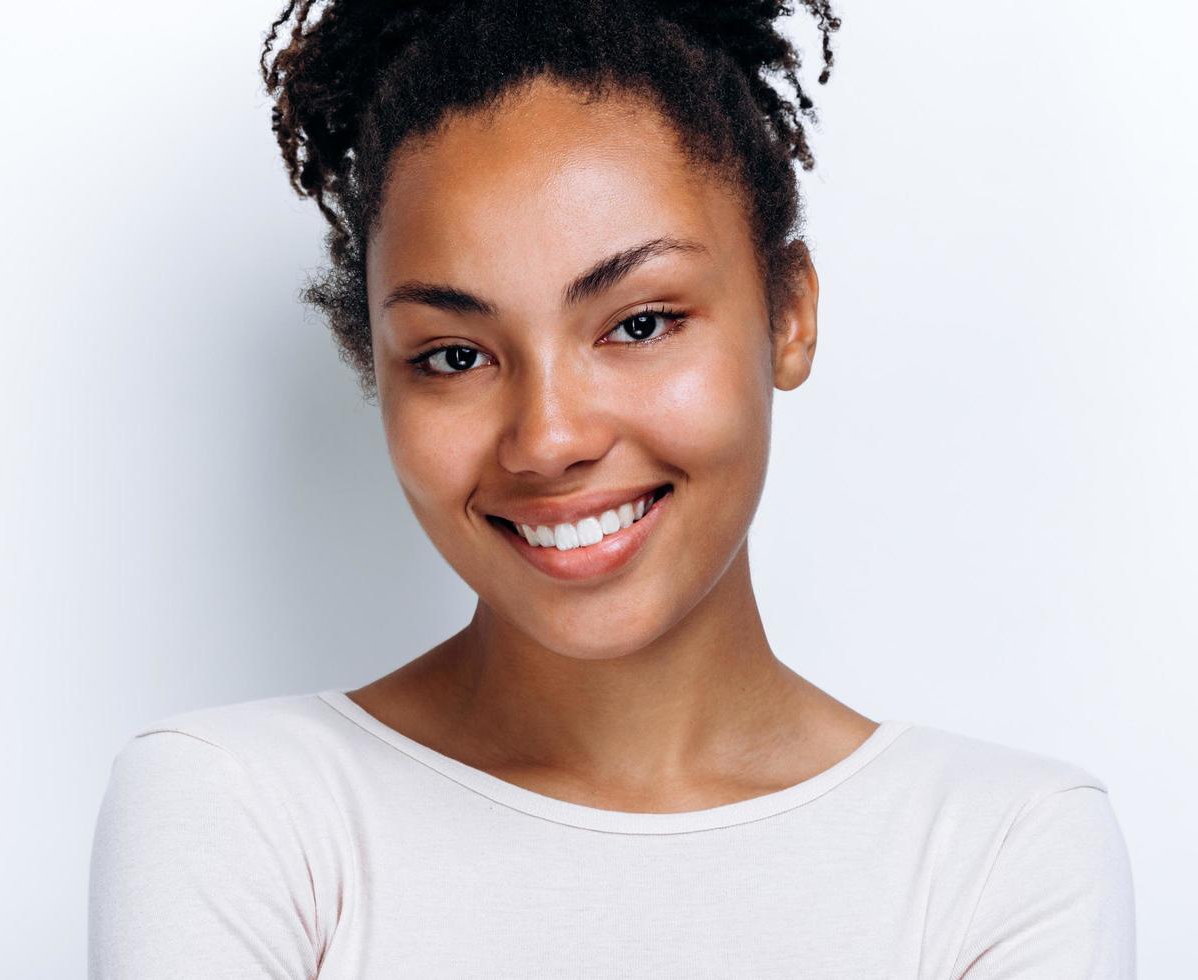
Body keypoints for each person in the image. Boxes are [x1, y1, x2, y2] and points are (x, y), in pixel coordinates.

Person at [88, 1, 1137, 976]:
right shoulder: (242, 813)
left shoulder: (999, 848)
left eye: (637, 324)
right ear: (376, 366)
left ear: (787, 313)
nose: (547, 439)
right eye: (453, 354)